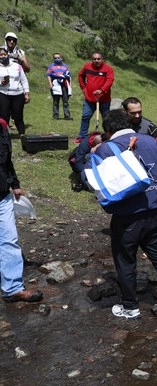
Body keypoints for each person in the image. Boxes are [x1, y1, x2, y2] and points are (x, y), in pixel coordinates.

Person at [82, 110, 157, 319]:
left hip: (126, 215)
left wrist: (90, 155)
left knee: (125, 260)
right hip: (154, 210)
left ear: (108, 130)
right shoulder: (151, 142)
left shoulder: (105, 149)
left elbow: (90, 179)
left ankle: (130, 306)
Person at [0, 117, 42, 303]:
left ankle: (13, 288)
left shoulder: (1, 126)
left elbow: (6, 159)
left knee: (9, 240)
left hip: (1, 196)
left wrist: (14, 184)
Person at [76, 51, 115, 142]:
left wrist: (101, 90)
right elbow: (80, 76)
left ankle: (109, 136)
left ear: (102, 59)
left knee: (106, 118)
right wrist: (84, 88)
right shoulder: (87, 66)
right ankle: (81, 136)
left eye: (98, 59)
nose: (96, 61)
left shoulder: (108, 69)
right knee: (85, 116)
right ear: (91, 59)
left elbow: (109, 81)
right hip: (89, 99)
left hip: (104, 99)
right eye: (94, 59)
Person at [0, 47, 29, 137]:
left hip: (18, 93)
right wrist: (1, 82)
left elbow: (24, 80)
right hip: (3, 93)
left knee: (18, 115)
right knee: (4, 115)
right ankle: (4, 134)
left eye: (4, 54)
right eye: (0, 55)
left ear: (8, 55)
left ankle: (22, 134)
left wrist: (27, 92)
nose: (3, 56)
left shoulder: (17, 66)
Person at [46, 52, 73, 120]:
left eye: (58, 58)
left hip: (64, 84)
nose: (57, 59)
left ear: (61, 58)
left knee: (65, 101)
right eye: (55, 58)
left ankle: (67, 116)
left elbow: (69, 76)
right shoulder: (51, 66)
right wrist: (50, 84)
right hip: (55, 84)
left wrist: (70, 85)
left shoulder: (65, 66)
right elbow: (49, 75)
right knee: (56, 101)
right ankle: (56, 116)